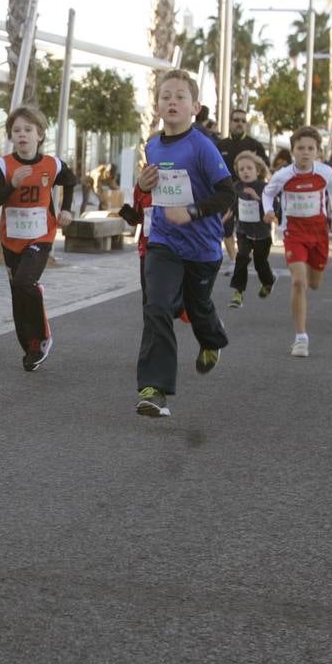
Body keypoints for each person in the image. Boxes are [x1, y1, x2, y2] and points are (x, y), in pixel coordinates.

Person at [132, 70, 234, 417]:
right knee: (157, 306)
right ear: (157, 106)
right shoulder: (153, 144)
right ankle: (154, 390)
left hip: (202, 248)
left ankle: (212, 339)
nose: (172, 101)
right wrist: (145, 186)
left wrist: (192, 212)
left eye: (180, 96)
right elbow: (152, 188)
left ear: (195, 107)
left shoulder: (202, 145)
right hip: (163, 241)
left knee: (198, 306)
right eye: (165, 96)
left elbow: (226, 194)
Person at [0, 106, 76, 371]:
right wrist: (11, 185)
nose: (22, 135)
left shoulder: (52, 164)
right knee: (18, 294)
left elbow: (71, 180)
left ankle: (42, 338)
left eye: (28, 130)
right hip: (11, 239)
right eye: (17, 131)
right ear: (12, 136)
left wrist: (66, 209)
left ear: (40, 135)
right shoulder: (3, 166)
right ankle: (30, 346)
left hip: (41, 235)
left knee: (25, 281)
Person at [261, 126, 332, 358]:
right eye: (300, 148)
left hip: (318, 232)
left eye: (311, 149)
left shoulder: (325, 172)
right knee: (299, 282)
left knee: (314, 284)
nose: (305, 153)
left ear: (317, 152)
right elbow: (268, 193)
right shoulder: (283, 175)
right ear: (293, 150)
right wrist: (268, 211)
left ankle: (310, 270)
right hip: (293, 232)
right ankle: (300, 338)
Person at [226, 151, 274, 309]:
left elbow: (272, 209)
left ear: (258, 170)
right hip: (243, 231)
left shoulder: (265, 187)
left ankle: (268, 282)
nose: (245, 171)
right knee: (242, 257)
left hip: (262, 233)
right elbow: (232, 206)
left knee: (260, 263)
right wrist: (223, 219)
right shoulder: (237, 187)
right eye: (241, 169)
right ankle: (238, 292)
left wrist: (256, 197)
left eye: (249, 168)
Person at [216, 108, 270, 172]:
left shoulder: (255, 145)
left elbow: (266, 166)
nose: (240, 123)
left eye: (243, 121)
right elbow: (215, 166)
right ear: (230, 123)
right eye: (236, 120)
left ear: (246, 124)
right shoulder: (220, 145)